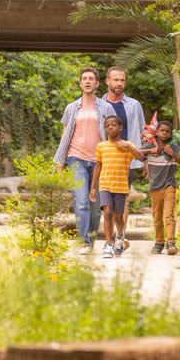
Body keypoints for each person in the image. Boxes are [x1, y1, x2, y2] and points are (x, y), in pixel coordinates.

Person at [53, 66, 106, 247]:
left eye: (91, 78)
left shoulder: (105, 107)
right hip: (76, 159)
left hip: (99, 161)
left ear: (97, 83)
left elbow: (112, 134)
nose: (87, 81)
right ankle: (84, 241)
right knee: (81, 200)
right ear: (80, 83)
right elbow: (65, 135)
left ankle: (91, 236)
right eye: (84, 79)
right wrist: (60, 162)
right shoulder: (71, 108)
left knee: (95, 207)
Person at [93, 67, 145, 191]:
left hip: (125, 159)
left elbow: (144, 132)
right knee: (104, 199)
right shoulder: (97, 105)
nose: (119, 83)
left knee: (122, 197)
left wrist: (146, 161)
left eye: (122, 80)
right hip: (105, 158)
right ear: (107, 81)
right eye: (116, 80)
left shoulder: (134, 105)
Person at [94, 114, 139, 258]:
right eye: (107, 125)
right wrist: (93, 187)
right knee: (107, 212)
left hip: (120, 186)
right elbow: (98, 166)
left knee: (118, 217)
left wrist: (126, 145)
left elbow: (140, 157)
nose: (110, 127)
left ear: (120, 127)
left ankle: (120, 236)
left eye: (113, 125)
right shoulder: (101, 146)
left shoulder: (127, 145)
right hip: (105, 184)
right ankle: (108, 244)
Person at [141, 120, 180, 255]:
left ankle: (171, 243)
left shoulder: (173, 146)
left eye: (167, 131)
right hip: (154, 187)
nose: (164, 133)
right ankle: (159, 243)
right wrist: (151, 150)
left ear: (171, 133)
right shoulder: (150, 144)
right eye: (162, 131)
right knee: (157, 216)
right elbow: (136, 154)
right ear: (156, 132)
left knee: (169, 215)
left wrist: (172, 153)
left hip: (169, 185)